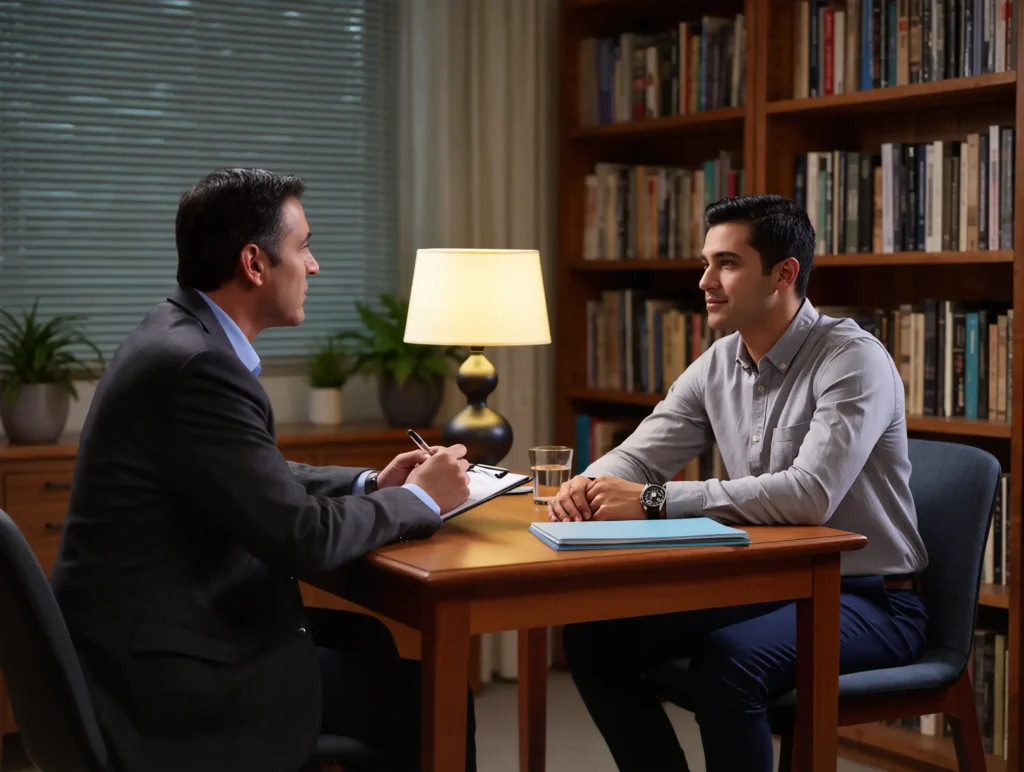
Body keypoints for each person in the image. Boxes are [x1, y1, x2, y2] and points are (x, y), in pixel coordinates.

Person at [50, 168, 477, 772]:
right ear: (254, 264)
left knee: (370, 641)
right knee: (431, 697)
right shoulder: (199, 365)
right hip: (165, 678)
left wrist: (373, 485)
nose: (315, 266)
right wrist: (421, 502)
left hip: (141, 636)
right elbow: (300, 538)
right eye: (303, 247)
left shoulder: (176, 334)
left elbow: (254, 474)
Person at [549, 194, 929, 772]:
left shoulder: (852, 359)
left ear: (784, 274)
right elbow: (640, 456)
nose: (705, 280)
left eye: (726, 263)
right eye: (706, 263)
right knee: (593, 637)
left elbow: (808, 495)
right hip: (767, 585)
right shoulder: (720, 361)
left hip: (869, 598)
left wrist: (651, 501)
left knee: (730, 663)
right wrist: (587, 486)